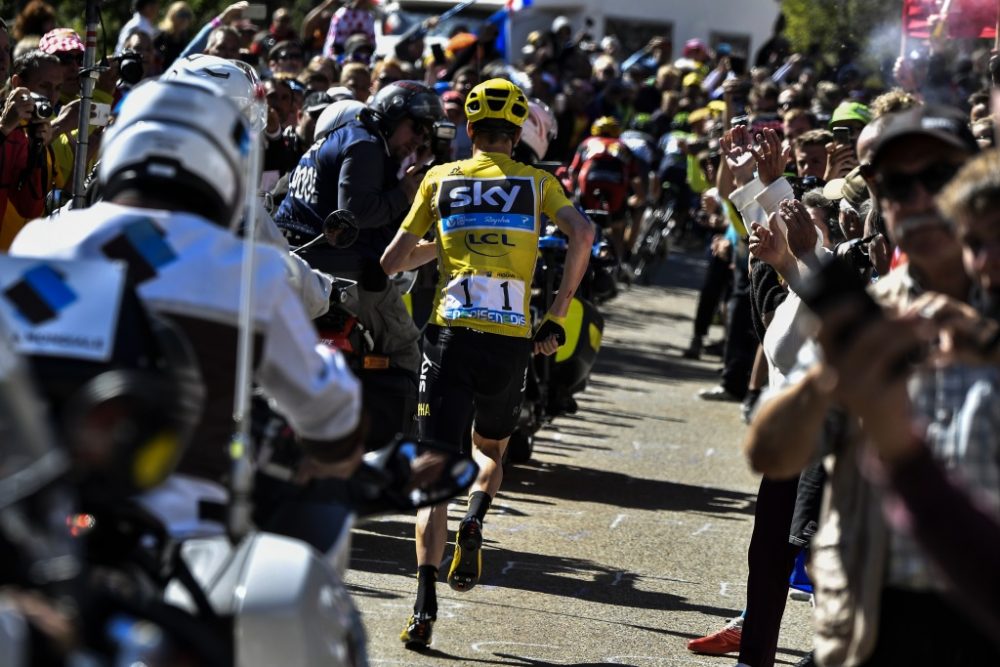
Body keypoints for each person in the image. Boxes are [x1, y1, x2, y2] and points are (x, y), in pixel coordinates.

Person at [10, 76, 363, 538]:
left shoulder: (44, 240)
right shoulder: (246, 268)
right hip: (183, 542)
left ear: (119, 145)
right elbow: (329, 416)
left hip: (40, 530)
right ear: (228, 167)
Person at [381, 77, 595, 650]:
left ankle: (423, 608)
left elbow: (392, 261)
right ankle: (477, 515)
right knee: (491, 450)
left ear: (470, 131)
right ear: (518, 132)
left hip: (449, 337)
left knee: (432, 471)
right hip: (509, 340)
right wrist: (556, 312)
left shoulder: (439, 178)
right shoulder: (538, 182)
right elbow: (583, 232)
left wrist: (445, 243)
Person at [274, 80, 445, 376]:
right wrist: (404, 193)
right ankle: (399, 423)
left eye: (427, 133)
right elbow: (355, 211)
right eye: (417, 127)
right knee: (407, 351)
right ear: (392, 114)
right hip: (341, 275)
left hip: (294, 268)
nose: (420, 139)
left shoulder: (339, 140)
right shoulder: (365, 145)